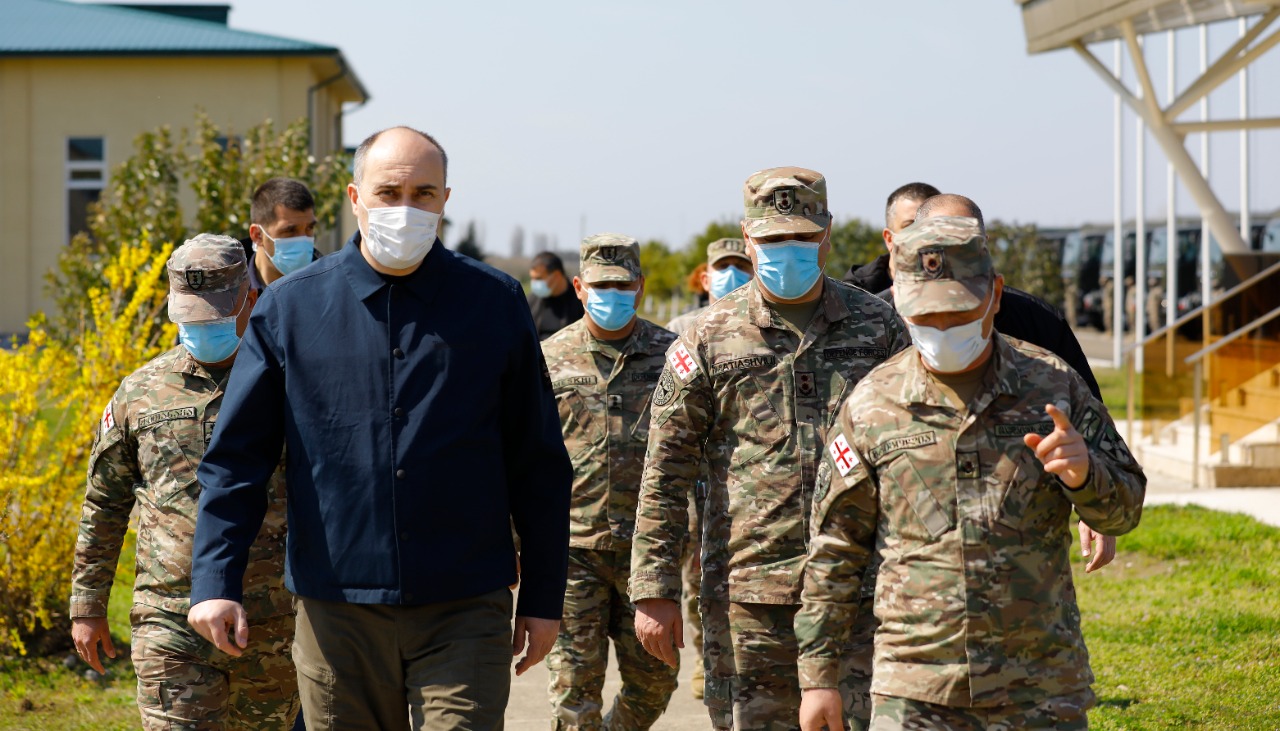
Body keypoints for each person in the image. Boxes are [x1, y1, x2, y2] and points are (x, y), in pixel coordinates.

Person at [186, 126, 572, 730]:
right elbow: (237, 458)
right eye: (388, 193)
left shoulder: (494, 303)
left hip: (465, 605)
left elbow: (538, 460)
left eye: (423, 194)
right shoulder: (289, 309)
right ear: (355, 197)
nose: (405, 209)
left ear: (445, 200)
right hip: (337, 610)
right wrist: (215, 579)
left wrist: (544, 597)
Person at [796, 216, 1146, 731]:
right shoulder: (871, 405)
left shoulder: (1054, 386)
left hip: (1038, 688)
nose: (942, 328)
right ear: (901, 305)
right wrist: (818, 676)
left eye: (958, 312)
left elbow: (1125, 509)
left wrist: (1084, 475)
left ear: (995, 295)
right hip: (914, 692)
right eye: (926, 314)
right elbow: (835, 550)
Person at [630, 167, 910, 730]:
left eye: (801, 236)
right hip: (749, 597)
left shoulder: (879, 327)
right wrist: (654, 586)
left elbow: (914, 452)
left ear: (826, 233)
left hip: (862, 590)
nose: (788, 249)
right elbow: (667, 465)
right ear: (747, 234)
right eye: (772, 237)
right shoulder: (707, 335)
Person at [70, 234, 297, 730]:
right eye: (189, 317)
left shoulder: (288, 384)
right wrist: (87, 604)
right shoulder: (140, 392)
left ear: (250, 298)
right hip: (169, 622)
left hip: (272, 621)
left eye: (213, 316)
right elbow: (103, 502)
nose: (201, 328)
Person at [541, 233, 679, 729]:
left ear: (640, 286)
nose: (612, 295)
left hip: (649, 552)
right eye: (601, 286)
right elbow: (526, 456)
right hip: (572, 550)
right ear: (580, 287)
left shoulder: (673, 355)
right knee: (573, 693)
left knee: (655, 680)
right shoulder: (548, 357)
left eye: (622, 286)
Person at [663, 236, 754, 703]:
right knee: (698, 571)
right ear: (704, 277)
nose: (732, 274)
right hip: (695, 476)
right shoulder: (681, 330)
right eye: (723, 266)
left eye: (741, 265)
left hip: (742, 476)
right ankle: (705, 655)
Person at [842, 182, 939, 295]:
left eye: (931, 226)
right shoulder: (856, 292)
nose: (921, 235)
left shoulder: (955, 280)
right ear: (889, 239)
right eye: (910, 227)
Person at [243, 178, 321, 290]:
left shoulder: (331, 288)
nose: (303, 239)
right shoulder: (228, 291)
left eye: (309, 228)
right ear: (257, 235)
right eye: (290, 230)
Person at [665, 238, 753, 335]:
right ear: (705, 281)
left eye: (740, 266)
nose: (731, 272)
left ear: (755, 277)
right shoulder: (680, 328)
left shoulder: (764, 326)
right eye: (723, 266)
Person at [530, 251, 586, 340]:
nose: (534, 283)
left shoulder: (581, 302)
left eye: (538, 278)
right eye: (532, 278)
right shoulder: (531, 302)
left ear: (557, 275)